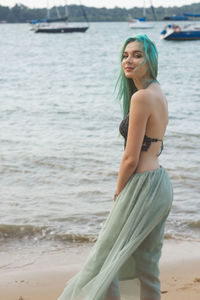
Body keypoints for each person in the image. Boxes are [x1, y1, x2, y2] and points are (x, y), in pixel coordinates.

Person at [58, 34, 173, 300]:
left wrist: (119, 193)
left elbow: (130, 158)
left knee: (104, 260)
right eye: (125, 55)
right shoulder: (157, 92)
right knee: (147, 265)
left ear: (150, 60)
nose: (128, 60)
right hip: (160, 184)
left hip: (142, 186)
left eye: (137, 54)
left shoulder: (141, 97)